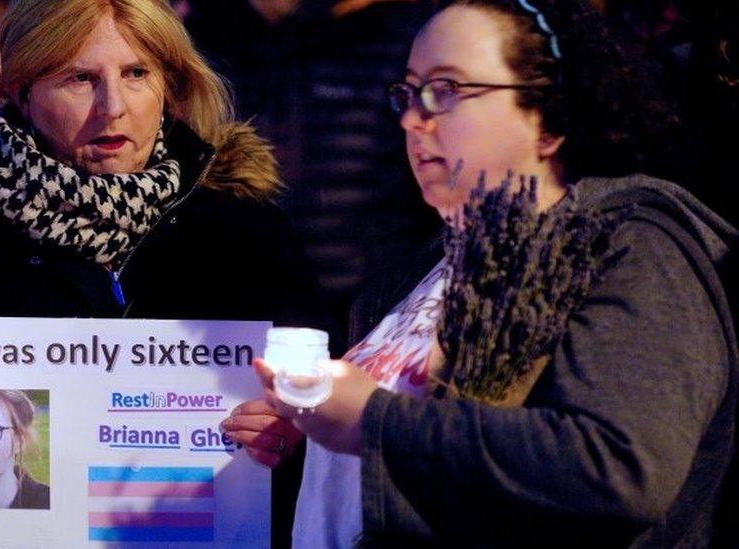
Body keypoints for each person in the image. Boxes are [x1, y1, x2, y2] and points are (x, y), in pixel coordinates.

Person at [0, 0, 321, 544]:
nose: (113, 107)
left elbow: (330, 430)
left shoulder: (244, 230)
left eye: (136, 74)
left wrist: (293, 434)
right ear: (23, 92)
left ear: (168, 84)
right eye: (79, 78)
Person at [226, 0, 737, 546]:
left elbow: (619, 466)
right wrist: (311, 442)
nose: (412, 119)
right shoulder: (416, 274)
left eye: (446, 91)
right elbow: (432, 466)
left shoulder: (631, 244)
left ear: (550, 119)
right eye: (407, 93)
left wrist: (373, 422)